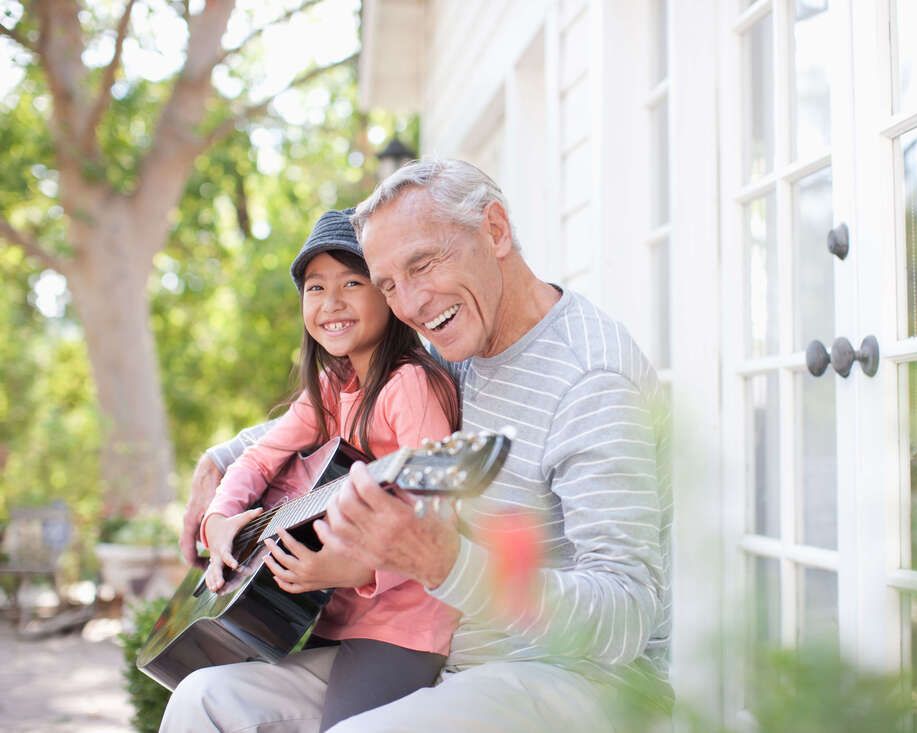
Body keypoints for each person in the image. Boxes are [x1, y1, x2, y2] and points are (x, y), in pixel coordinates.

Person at [171, 159, 672, 732]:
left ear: (496, 229)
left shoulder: (589, 379)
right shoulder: (450, 349)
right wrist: (220, 463)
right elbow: (333, 408)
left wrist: (449, 564)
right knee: (204, 702)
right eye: (387, 284)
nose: (409, 305)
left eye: (423, 264)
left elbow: (627, 614)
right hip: (436, 653)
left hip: (565, 678)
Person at [161, 209, 462, 732]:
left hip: (403, 629)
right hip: (338, 619)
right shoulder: (332, 389)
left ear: (388, 295)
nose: (332, 303)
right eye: (316, 287)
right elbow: (257, 458)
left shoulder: (409, 386)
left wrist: (357, 571)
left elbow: (436, 511)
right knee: (200, 697)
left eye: (352, 282)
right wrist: (221, 520)